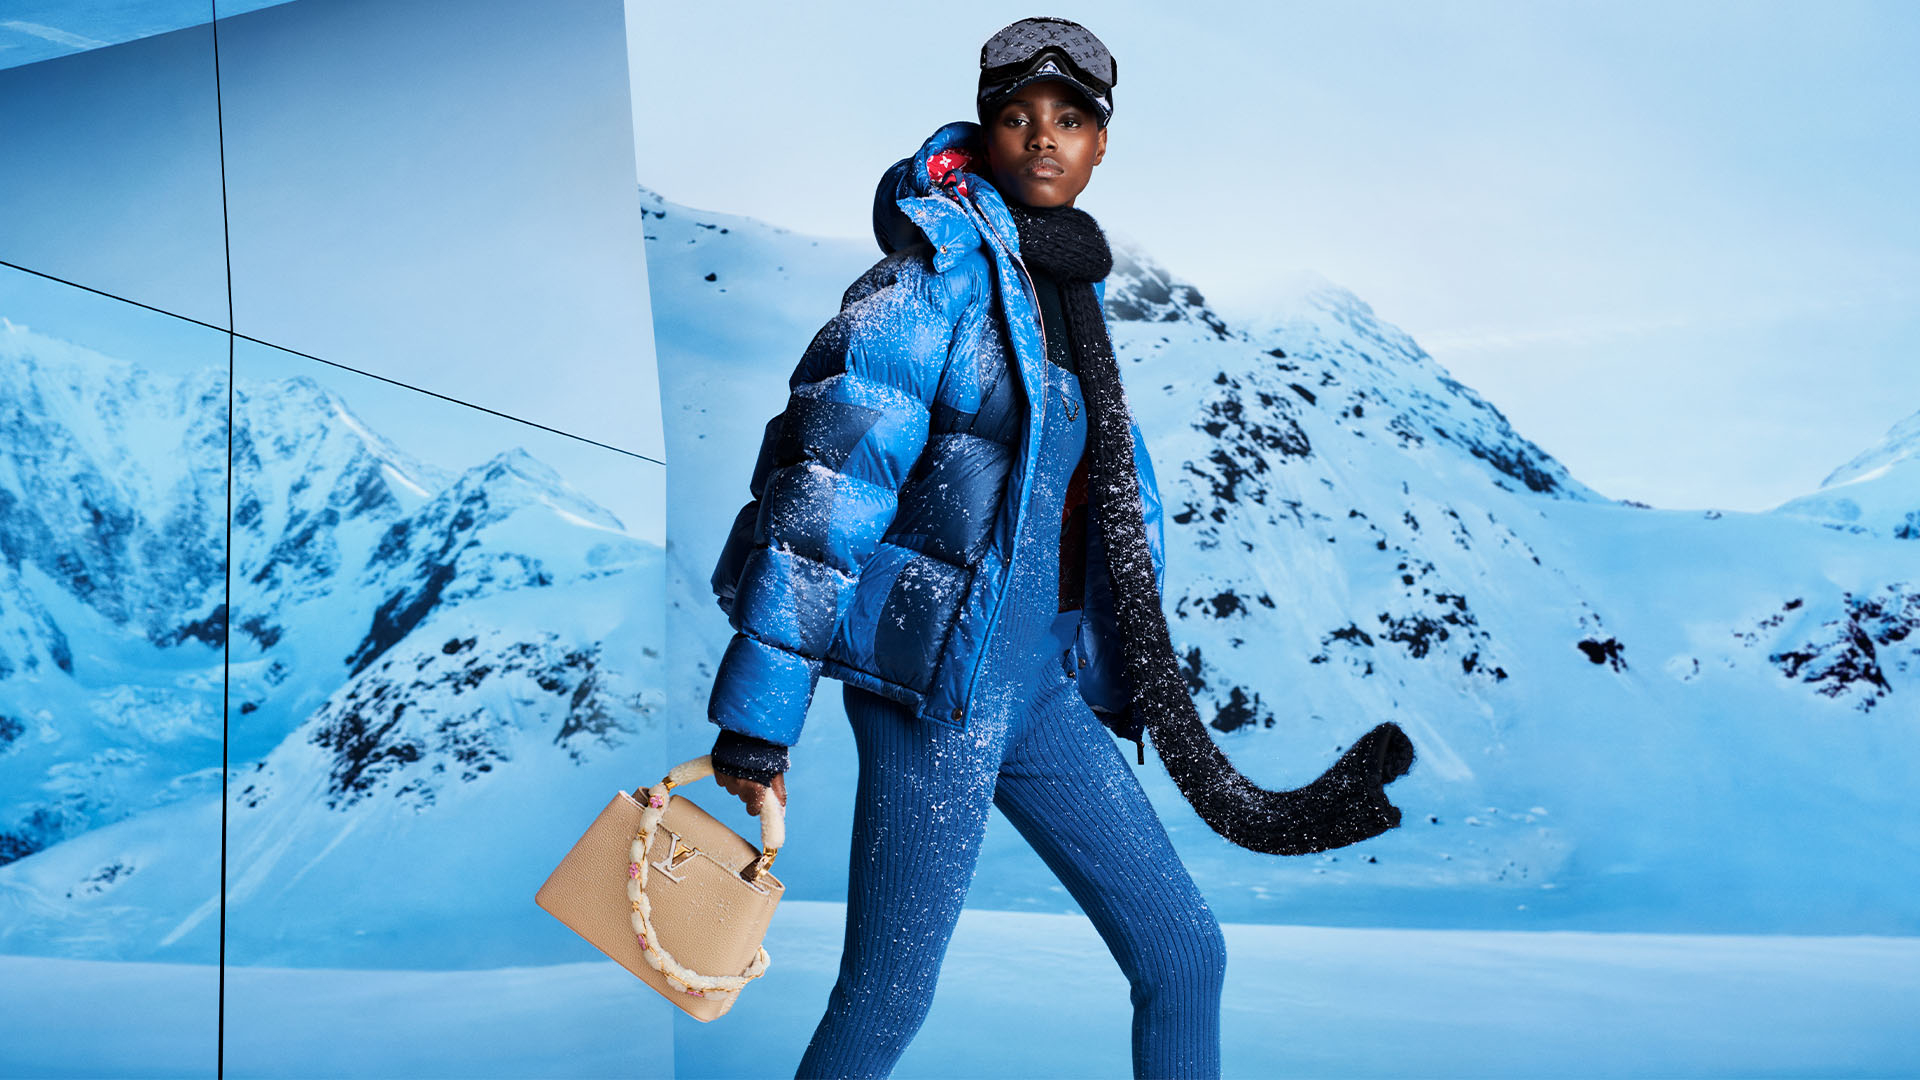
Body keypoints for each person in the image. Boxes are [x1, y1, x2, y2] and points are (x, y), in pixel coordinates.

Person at [703, 17, 1227, 1079]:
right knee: (887, 997)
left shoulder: (1070, 298)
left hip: (1038, 689)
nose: (1044, 138)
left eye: (1070, 119)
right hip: (935, 694)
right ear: (986, 132)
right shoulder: (927, 286)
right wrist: (758, 727)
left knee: (1186, 955)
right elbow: (824, 498)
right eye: (1018, 116)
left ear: (1101, 144)